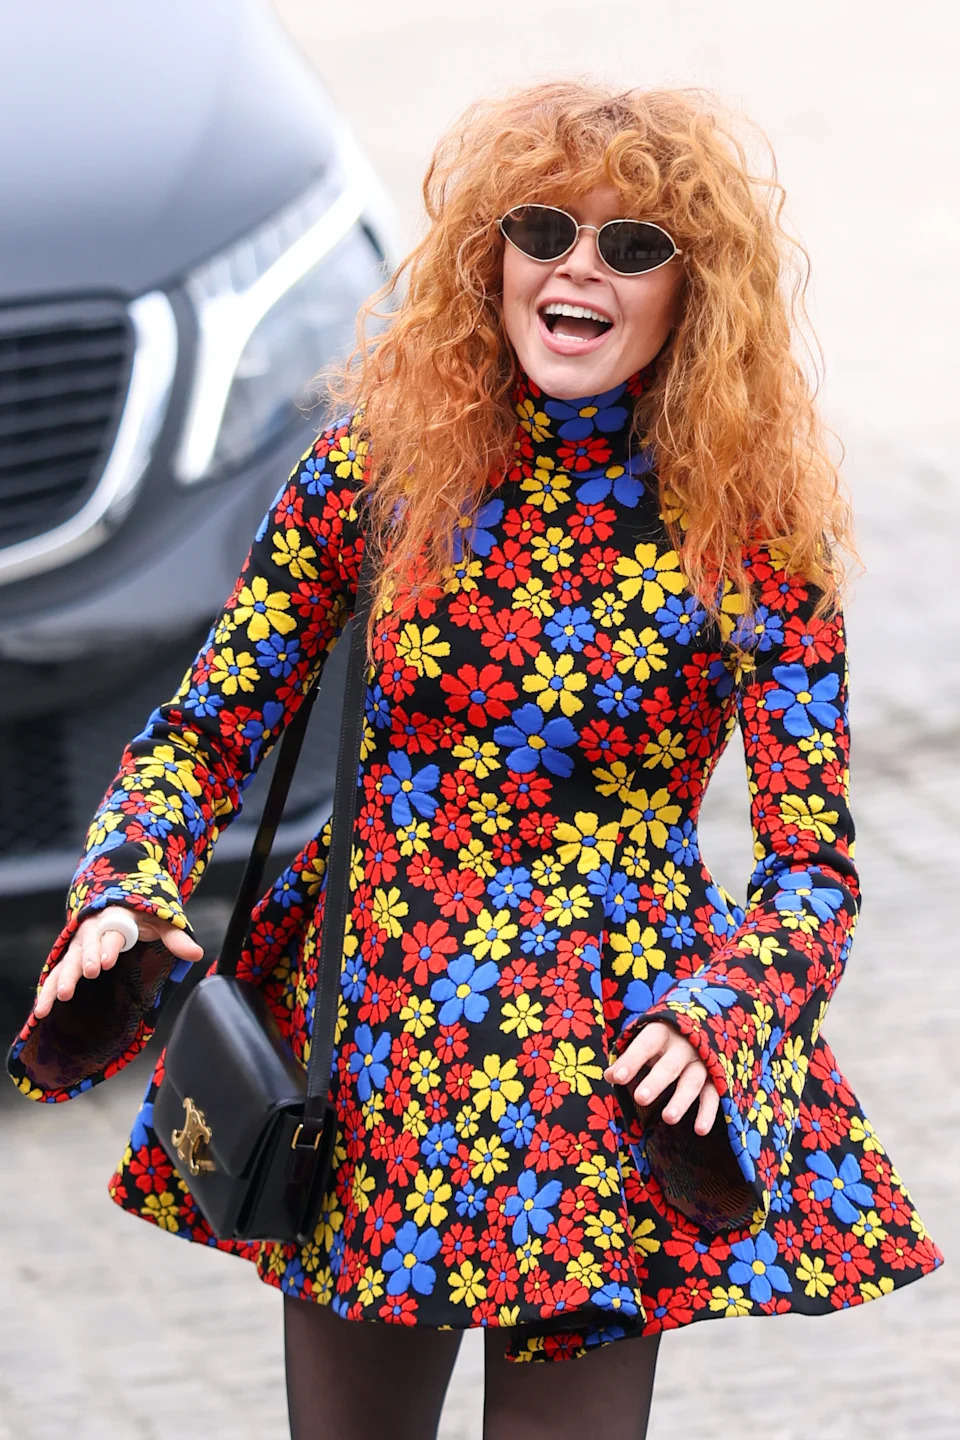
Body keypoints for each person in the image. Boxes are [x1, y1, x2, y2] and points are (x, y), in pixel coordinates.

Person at [8, 80, 942, 1440]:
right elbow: (202, 734)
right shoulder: (375, 473)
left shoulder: (751, 531)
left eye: (633, 246)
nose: (579, 267)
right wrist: (127, 887)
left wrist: (724, 1016)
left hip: (605, 1079)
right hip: (377, 1042)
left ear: (694, 294)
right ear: (490, 259)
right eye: (545, 228)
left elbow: (812, 867)